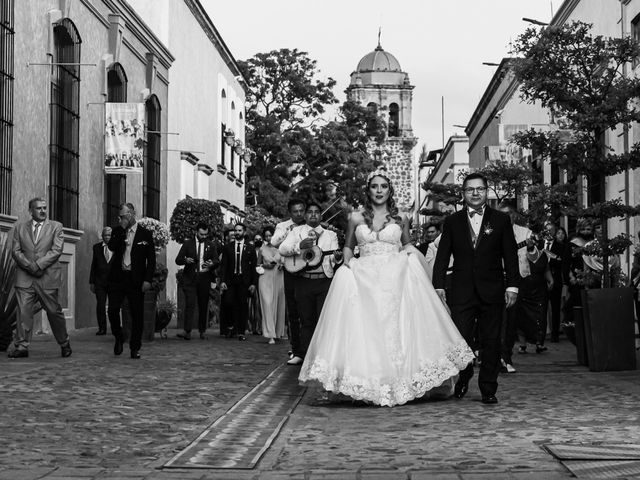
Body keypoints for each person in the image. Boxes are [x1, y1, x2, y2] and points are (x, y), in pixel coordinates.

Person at [297, 171, 474, 406]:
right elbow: (349, 247)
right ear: (368, 190)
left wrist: (413, 260)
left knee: (398, 327)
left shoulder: (401, 217)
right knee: (366, 327)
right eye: (374, 186)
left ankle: (400, 380)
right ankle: (367, 380)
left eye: (383, 187)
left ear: (390, 190)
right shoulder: (355, 217)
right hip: (364, 276)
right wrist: (348, 264)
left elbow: (407, 243)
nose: (379, 190)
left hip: (395, 276)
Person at [433, 172, 520, 405]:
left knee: (492, 341)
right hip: (461, 290)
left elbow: (510, 255)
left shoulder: (500, 220)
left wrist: (512, 286)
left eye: (479, 189)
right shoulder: (452, 222)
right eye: (470, 189)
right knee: (460, 339)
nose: (475, 193)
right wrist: (438, 286)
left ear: (486, 191)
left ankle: (488, 388)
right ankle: (464, 374)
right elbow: (442, 257)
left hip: (492, 290)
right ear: (464, 194)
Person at [279, 202, 342, 366]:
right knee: (305, 320)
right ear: (305, 216)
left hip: (324, 281)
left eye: (316, 212)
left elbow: (334, 259)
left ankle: (322, 356)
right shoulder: (296, 231)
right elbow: (282, 249)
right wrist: (299, 246)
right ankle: (302, 354)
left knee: (323, 319)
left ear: (321, 216)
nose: (313, 215)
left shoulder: (330, 235)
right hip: (303, 280)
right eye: (310, 212)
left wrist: (337, 258)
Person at [9, 197, 72, 358]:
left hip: (47, 276)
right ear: (31, 211)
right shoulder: (20, 228)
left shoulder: (56, 227)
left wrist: (38, 265)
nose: (43, 211)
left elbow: (57, 249)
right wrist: (28, 265)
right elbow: (15, 251)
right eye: (39, 208)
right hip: (25, 276)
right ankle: (22, 346)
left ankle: (64, 342)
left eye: (45, 208)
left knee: (53, 311)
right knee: (23, 312)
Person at [107, 203, 155, 359]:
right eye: (120, 216)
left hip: (136, 279)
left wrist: (148, 280)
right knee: (112, 310)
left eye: (124, 216)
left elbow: (151, 259)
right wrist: (121, 228)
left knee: (137, 314)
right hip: (118, 277)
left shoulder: (145, 234)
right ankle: (119, 336)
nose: (122, 218)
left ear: (133, 214)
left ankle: (135, 347)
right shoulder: (117, 231)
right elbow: (112, 246)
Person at [271, 198, 306, 361]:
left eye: (301, 211)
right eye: (295, 211)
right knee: (293, 311)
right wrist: (289, 231)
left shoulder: (309, 225)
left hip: (308, 270)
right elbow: (274, 242)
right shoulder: (282, 226)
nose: (299, 214)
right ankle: (295, 348)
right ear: (290, 213)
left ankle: (307, 347)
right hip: (290, 271)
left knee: (307, 311)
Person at [175, 222, 219, 340]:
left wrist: (211, 264)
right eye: (201, 234)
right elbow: (178, 260)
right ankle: (187, 331)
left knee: (203, 304)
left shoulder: (211, 245)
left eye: (205, 234)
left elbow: (216, 260)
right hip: (190, 278)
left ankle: (202, 330)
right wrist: (186, 260)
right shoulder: (188, 244)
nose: (203, 236)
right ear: (196, 232)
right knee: (190, 304)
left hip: (204, 278)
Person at [219, 223, 257, 340]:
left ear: (244, 232)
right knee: (228, 303)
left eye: (240, 231)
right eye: (236, 230)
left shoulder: (250, 248)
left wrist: (253, 283)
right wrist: (222, 281)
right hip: (230, 280)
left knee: (242, 305)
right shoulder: (228, 247)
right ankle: (230, 326)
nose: (237, 233)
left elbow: (253, 267)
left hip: (243, 281)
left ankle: (241, 332)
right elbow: (224, 265)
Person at [257, 226, 286, 344]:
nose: (268, 238)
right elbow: (257, 264)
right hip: (265, 278)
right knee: (267, 304)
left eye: (270, 235)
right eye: (266, 236)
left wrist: (282, 265)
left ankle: (278, 333)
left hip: (279, 276)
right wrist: (264, 266)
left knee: (279, 304)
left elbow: (287, 262)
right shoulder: (262, 249)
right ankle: (270, 334)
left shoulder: (282, 248)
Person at [543, 222, 569, 342]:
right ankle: (540, 336)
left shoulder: (560, 246)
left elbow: (561, 262)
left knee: (555, 307)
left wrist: (552, 260)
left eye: (551, 230)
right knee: (541, 308)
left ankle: (555, 334)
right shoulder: (539, 244)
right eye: (546, 230)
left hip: (555, 278)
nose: (548, 232)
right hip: (540, 279)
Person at [89, 227, 114, 336]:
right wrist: (92, 282)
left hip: (114, 282)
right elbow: (93, 265)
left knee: (114, 306)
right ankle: (102, 328)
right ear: (102, 236)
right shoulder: (97, 248)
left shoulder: (118, 248)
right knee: (100, 305)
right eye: (105, 235)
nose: (107, 237)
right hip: (100, 282)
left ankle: (115, 327)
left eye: (109, 235)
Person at [248, 233, 264, 335]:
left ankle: (260, 327)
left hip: (263, 278)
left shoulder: (264, 250)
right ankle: (252, 327)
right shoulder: (251, 251)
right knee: (252, 305)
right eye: (256, 239)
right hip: (252, 279)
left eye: (259, 239)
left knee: (261, 305)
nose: (258, 240)